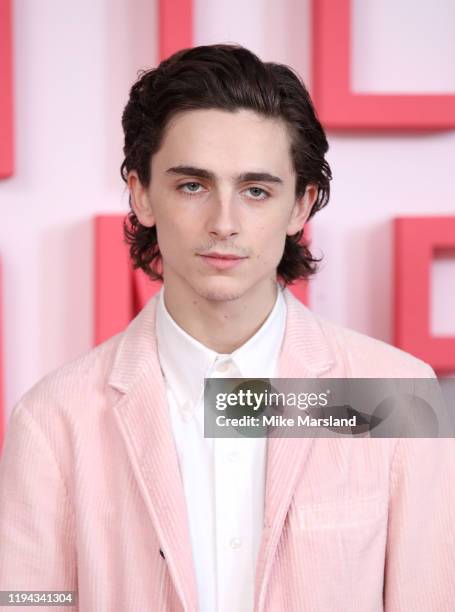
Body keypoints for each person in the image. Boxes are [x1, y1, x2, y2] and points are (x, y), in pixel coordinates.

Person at [0, 43, 454, 612]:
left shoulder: (396, 397)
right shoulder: (53, 419)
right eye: (193, 185)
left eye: (256, 191)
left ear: (300, 207)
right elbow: (27, 602)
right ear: (141, 194)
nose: (223, 223)